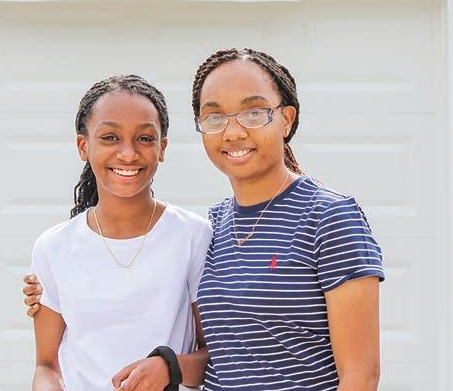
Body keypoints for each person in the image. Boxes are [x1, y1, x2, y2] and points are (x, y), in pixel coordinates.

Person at [24, 49, 384, 391]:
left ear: (286, 119)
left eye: (253, 112)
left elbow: (361, 375)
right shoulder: (217, 225)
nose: (234, 131)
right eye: (215, 117)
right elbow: (218, 353)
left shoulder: (329, 217)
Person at [29, 74, 213, 391]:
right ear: (83, 146)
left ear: (162, 147)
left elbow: (217, 356)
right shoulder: (53, 247)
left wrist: (169, 367)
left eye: (145, 138)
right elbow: (46, 366)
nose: (128, 154)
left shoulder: (194, 236)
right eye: (110, 137)